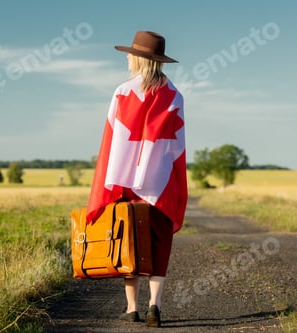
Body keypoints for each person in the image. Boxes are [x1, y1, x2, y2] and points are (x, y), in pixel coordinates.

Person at [86, 30, 187, 327]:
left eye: (131, 54)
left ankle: (132, 308)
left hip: (126, 181)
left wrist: (110, 181)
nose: (128, 58)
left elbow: (112, 140)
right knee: (159, 243)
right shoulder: (174, 96)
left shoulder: (121, 92)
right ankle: (155, 306)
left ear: (140, 58)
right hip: (160, 181)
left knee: (129, 241)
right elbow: (176, 145)